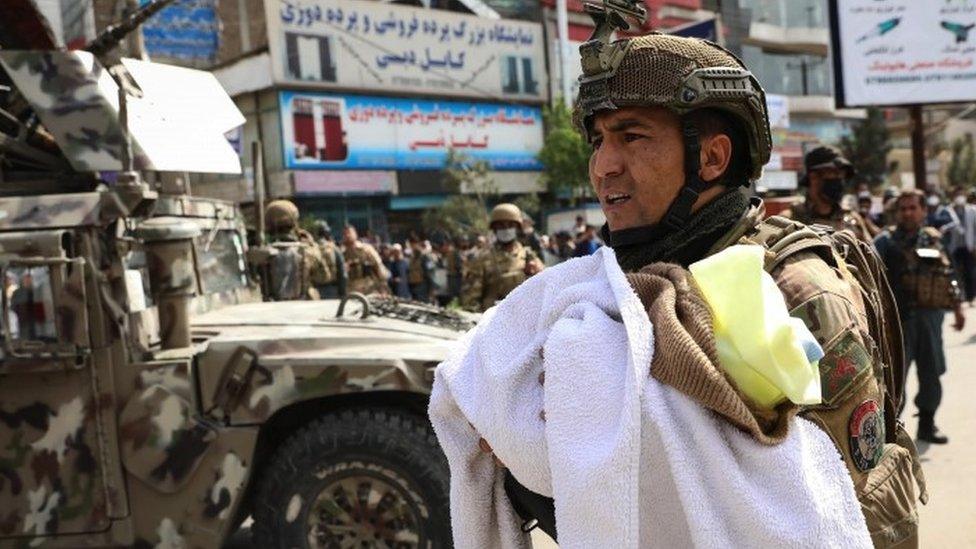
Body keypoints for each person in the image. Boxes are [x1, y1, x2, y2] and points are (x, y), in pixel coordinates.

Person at [473, 31, 921, 546]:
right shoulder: (614, 290)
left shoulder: (797, 294)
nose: (604, 165)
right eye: (599, 140)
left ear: (711, 158)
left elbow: (825, 518)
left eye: (632, 136)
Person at [874, 190, 965, 444]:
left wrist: (957, 307)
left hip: (929, 318)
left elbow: (949, 273)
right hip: (897, 321)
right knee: (894, 379)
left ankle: (927, 425)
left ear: (923, 210)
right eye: (903, 208)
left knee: (931, 372)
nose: (908, 213)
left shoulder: (933, 239)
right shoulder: (884, 241)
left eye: (913, 207)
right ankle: (889, 431)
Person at [460, 203, 544, 312]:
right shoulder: (483, 258)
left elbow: (545, 288)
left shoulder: (528, 256)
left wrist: (534, 274)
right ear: (494, 228)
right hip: (492, 319)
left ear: (517, 228)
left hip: (523, 318)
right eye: (501, 225)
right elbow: (470, 301)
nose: (506, 229)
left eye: (510, 225)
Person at [782, 146, 874, 242]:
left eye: (841, 174)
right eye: (833, 173)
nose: (839, 179)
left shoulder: (853, 220)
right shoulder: (789, 221)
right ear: (814, 177)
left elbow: (871, 254)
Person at [263, 200, 332, 301]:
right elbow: (324, 277)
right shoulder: (308, 250)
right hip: (304, 308)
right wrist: (312, 244)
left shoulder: (261, 253)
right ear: (294, 223)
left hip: (268, 310)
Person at [342, 225, 390, 296]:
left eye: (349, 233)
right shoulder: (343, 254)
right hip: (352, 291)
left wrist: (383, 288)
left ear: (355, 234)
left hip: (368, 288)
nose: (347, 235)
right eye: (345, 234)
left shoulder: (366, 249)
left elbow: (378, 267)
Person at [948, 186, 976, 303]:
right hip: (954, 247)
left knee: (970, 272)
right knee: (955, 273)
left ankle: (970, 296)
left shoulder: (972, 210)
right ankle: (959, 297)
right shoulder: (948, 210)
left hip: (968, 246)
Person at [313, 220, 346, 298]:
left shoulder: (309, 249)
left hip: (314, 291)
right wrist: (342, 293)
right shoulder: (334, 249)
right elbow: (342, 274)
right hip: (332, 290)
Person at [407, 237, 437, 303]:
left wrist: (432, 288)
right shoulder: (413, 257)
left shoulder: (425, 257)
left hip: (423, 285)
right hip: (414, 285)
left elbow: (430, 273)